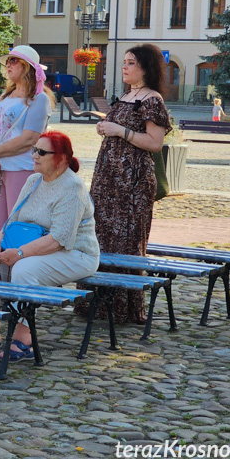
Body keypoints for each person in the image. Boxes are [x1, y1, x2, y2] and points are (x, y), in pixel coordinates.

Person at [0, 131, 99, 359]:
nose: (34, 155)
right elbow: (13, 219)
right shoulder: (33, 180)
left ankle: (24, 340)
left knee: (24, 269)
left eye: (41, 152)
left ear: (61, 159)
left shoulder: (73, 188)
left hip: (76, 254)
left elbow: (59, 239)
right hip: (35, 248)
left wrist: (20, 254)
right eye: (34, 150)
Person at [75, 43, 171, 324]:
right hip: (108, 181)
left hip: (132, 184)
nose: (124, 67)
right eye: (124, 62)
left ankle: (122, 307)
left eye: (130, 63)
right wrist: (105, 127)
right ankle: (96, 303)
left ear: (145, 68)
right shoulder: (128, 95)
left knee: (126, 242)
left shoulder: (152, 100)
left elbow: (154, 143)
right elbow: (118, 129)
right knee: (101, 238)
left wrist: (120, 130)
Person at [0, 45, 54, 240]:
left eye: (14, 60)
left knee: (17, 229)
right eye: (7, 61)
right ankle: (0, 269)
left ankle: (15, 270)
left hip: (21, 169)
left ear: (27, 67)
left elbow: (30, 138)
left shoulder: (39, 99)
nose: (8, 65)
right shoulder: (5, 96)